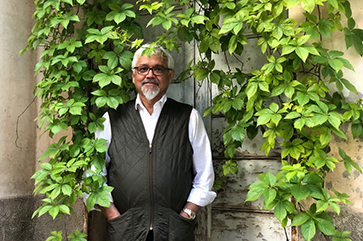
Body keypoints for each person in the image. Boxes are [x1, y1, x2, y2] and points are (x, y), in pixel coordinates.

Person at [85, 44, 216, 241]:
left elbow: (205, 174)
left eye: (158, 69)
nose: (150, 75)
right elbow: (95, 176)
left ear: (170, 76)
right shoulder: (112, 118)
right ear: (133, 75)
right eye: (143, 68)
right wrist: (113, 216)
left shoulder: (188, 117)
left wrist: (187, 214)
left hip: (175, 230)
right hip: (125, 230)